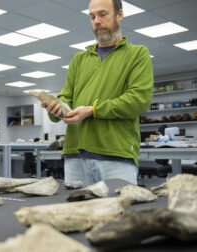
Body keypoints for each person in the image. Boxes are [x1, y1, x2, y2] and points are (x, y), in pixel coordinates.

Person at [42, 0, 153, 185]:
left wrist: (92, 110)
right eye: (92, 16)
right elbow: (66, 96)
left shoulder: (137, 54)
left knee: (118, 213)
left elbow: (139, 100)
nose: (96, 21)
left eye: (102, 14)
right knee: (76, 213)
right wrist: (55, 107)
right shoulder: (79, 59)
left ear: (119, 15)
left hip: (116, 156)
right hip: (74, 155)